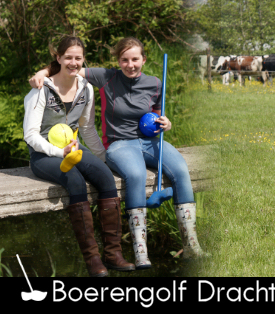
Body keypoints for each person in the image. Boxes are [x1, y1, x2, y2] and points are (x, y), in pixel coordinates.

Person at [30, 37, 204, 269]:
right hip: (120, 143)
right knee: (136, 175)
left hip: (150, 140)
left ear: (143, 59)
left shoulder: (155, 83)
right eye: (125, 60)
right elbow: (71, 66)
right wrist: (42, 72)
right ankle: (140, 252)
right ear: (118, 61)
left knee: (182, 170)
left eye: (135, 59)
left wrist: (166, 122)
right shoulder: (106, 77)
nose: (130, 64)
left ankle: (192, 247)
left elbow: (157, 112)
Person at [23, 36, 135, 276]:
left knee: (105, 177)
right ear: (58, 58)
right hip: (43, 154)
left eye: (78, 58)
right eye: (68, 57)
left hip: (74, 147)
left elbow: (86, 129)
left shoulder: (86, 88)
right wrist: (58, 152)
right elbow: (30, 135)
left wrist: (104, 158)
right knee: (74, 180)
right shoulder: (40, 90)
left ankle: (114, 254)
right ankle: (93, 260)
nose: (73, 62)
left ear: (83, 59)